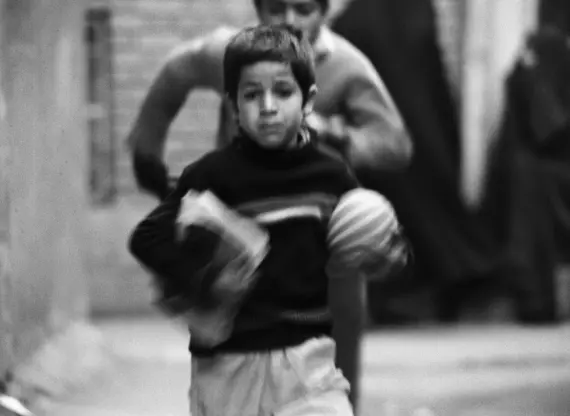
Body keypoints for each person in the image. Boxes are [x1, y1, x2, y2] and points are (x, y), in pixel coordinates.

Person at [127, 0, 412, 410]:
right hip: (233, 243)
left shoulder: (347, 75)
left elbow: (394, 143)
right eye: (277, 8)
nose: (268, 107)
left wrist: (334, 134)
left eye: (304, 8)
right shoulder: (227, 59)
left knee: (342, 325)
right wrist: (147, 147)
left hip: (316, 248)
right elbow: (175, 71)